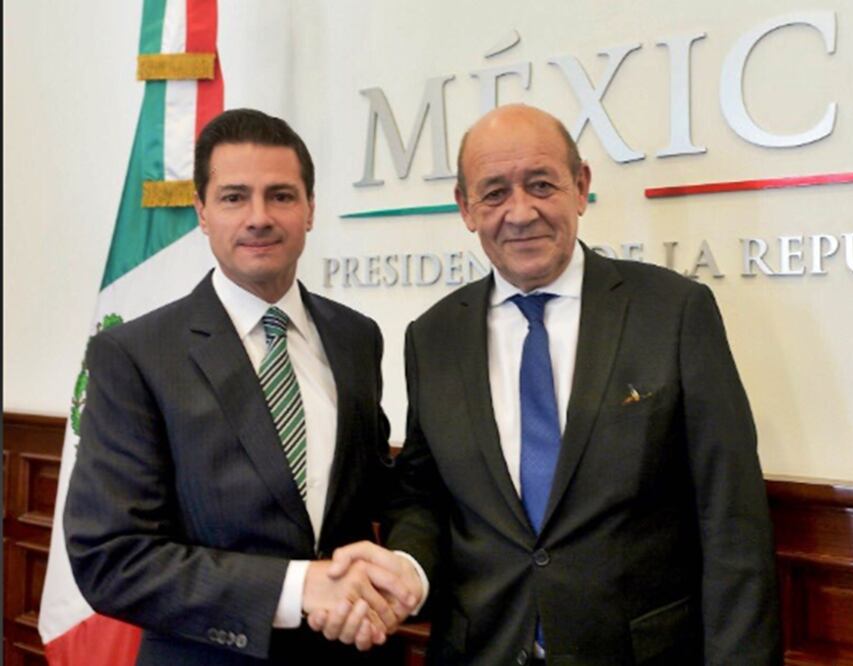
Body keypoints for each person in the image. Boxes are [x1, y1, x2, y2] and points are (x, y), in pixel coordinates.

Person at [324, 104, 782, 664]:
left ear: (581, 186)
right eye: (494, 193)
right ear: (465, 208)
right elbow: (423, 494)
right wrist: (409, 566)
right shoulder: (433, 336)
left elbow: (732, 517)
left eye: (541, 184)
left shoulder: (674, 313)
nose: (520, 212)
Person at [64, 108, 415, 665]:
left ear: (310, 210)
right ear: (202, 212)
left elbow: (375, 490)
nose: (259, 217)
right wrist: (299, 588)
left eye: (281, 195)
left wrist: (404, 567)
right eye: (233, 198)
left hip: (354, 652)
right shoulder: (133, 355)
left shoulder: (356, 337)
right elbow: (112, 559)